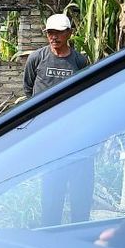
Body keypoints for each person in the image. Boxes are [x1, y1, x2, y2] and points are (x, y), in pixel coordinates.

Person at [24, 12, 93, 226]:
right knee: (52, 185)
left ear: (69, 34)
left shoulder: (79, 61)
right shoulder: (37, 58)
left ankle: (77, 229)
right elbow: (28, 89)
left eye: (58, 33)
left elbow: (87, 92)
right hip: (47, 134)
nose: (53, 37)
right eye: (50, 33)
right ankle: (49, 227)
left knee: (79, 187)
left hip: (74, 133)